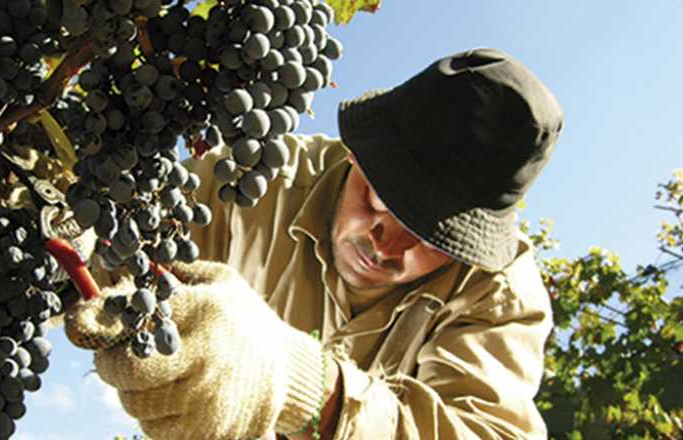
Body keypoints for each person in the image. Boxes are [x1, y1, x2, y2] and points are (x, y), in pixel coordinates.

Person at [66, 47, 564, 440]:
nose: (387, 245)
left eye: (433, 237)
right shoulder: (248, 185)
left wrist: (302, 384)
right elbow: (105, 251)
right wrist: (66, 219)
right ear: (354, 153)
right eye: (377, 201)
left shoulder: (498, 292)